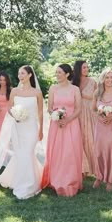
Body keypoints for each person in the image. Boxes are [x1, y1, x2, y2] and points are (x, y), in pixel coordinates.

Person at [0, 65, 43, 199]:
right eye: (19, 74)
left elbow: (40, 112)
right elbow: (10, 107)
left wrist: (41, 130)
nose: (20, 76)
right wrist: (16, 115)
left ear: (30, 75)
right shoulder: (15, 91)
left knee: (28, 153)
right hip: (18, 127)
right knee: (21, 154)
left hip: (31, 127)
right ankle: (19, 180)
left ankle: (29, 185)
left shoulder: (36, 93)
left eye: (22, 73)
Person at [41, 64, 83, 196]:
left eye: (59, 72)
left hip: (71, 124)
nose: (57, 75)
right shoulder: (53, 88)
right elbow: (49, 107)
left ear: (67, 74)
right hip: (56, 125)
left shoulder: (75, 89)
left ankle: (70, 180)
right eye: (56, 72)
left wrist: (67, 119)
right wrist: (56, 117)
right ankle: (56, 179)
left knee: (70, 152)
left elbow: (78, 109)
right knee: (58, 152)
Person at [92, 68, 112, 192]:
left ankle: (110, 179)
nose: (110, 79)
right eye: (107, 77)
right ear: (103, 79)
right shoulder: (97, 93)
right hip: (100, 125)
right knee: (99, 151)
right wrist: (100, 117)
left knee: (110, 151)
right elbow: (93, 109)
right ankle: (99, 176)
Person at [72, 60, 97, 176]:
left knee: (90, 139)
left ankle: (92, 167)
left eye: (87, 67)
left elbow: (98, 98)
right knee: (78, 139)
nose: (87, 69)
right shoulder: (73, 83)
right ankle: (81, 168)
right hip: (77, 113)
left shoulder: (93, 81)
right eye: (84, 68)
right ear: (78, 70)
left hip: (90, 113)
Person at [0, 71, 12, 149]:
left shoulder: (11, 90)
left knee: (6, 136)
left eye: (4, 80)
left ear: (7, 80)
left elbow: (13, 104)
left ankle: (5, 157)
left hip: (7, 116)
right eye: (0, 80)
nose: (2, 82)